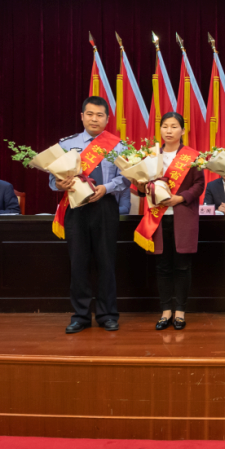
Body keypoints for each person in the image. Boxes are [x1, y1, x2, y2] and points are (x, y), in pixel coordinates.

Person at [50, 96, 130, 334]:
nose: (94, 119)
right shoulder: (66, 144)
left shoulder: (118, 146)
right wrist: (60, 184)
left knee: (106, 262)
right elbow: (53, 179)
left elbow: (127, 177)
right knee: (78, 263)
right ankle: (81, 316)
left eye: (100, 115)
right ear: (82, 116)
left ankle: (108, 315)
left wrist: (107, 187)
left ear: (107, 119)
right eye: (90, 114)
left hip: (105, 207)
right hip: (76, 207)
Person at [138, 112, 206, 331]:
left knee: (182, 266)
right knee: (163, 267)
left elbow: (199, 185)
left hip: (182, 216)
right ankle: (165, 311)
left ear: (183, 130)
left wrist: (181, 198)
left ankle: (180, 312)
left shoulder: (192, 156)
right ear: (160, 129)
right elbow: (140, 188)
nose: (169, 130)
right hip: (157, 219)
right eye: (165, 126)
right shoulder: (150, 155)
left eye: (174, 126)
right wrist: (140, 184)